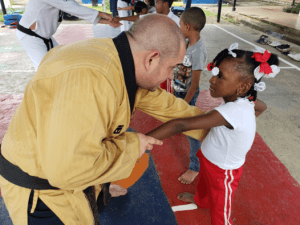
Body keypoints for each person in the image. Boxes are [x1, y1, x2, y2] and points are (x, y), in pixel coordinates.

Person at [0, 14, 209, 225]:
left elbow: (170, 108)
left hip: (62, 169)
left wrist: (215, 126)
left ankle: (100, 189)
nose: (170, 77)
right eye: (171, 68)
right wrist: (132, 145)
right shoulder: (90, 79)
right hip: (43, 194)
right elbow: (68, 171)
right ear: (152, 59)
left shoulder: (120, 60)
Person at [146, 43, 280, 224]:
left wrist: (145, 139)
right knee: (204, 186)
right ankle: (200, 200)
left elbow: (181, 125)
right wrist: (247, 114)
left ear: (243, 87)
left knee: (220, 211)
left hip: (224, 172)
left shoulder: (234, 111)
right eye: (215, 72)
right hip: (210, 159)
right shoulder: (242, 102)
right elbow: (261, 106)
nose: (212, 79)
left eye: (220, 77)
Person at [16, 0, 121, 70]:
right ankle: (42, 99)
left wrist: (107, 21)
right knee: (44, 69)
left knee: (62, 60)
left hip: (45, 37)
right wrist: (102, 14)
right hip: (30, 37)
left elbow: (77, 11)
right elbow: (74, 8)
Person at [171, 7, 208, 184]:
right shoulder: (186, 43)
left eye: (180, 25)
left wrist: (185, 103)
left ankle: (195, 166)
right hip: (179, 90)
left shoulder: (198, 51)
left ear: (187, 26)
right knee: (181, 122)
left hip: (188, 94)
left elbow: (194, 84)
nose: (179, 28)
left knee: (192, 131)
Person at [114, 0, 179, 26]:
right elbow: (138, 18)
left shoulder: (176, 21)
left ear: (165, 4)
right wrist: (120, 18)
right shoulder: (153, 14)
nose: (155, 6)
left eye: (157, 3)